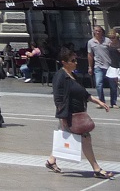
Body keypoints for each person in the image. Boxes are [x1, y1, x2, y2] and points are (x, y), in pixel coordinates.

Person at [47, 45, 114, 178]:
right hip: (70, 115)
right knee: (85, 138)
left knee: (64, 136)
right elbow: (58, 100)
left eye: (75, 60)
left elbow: (84, 93)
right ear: (64, 63)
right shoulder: (60, 77)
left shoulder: (72, 75)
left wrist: (99, 102)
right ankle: (96, 169)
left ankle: (51, 160)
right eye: (73, 61)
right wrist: (63, 118)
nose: (76, 63)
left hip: (76, 113)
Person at [87, 26, 117, 107]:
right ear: (94, 32)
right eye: (96, 31)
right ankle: (101, 102)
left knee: (113, 85)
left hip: (109, 66)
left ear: (102, 32)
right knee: (98, 84)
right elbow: (90, 55)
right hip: (98, 66)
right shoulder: (90, 42)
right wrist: (90, 67)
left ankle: (113, 102)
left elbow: (113, 49)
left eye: (99, 31)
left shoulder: (107, 40)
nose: (97, 32)